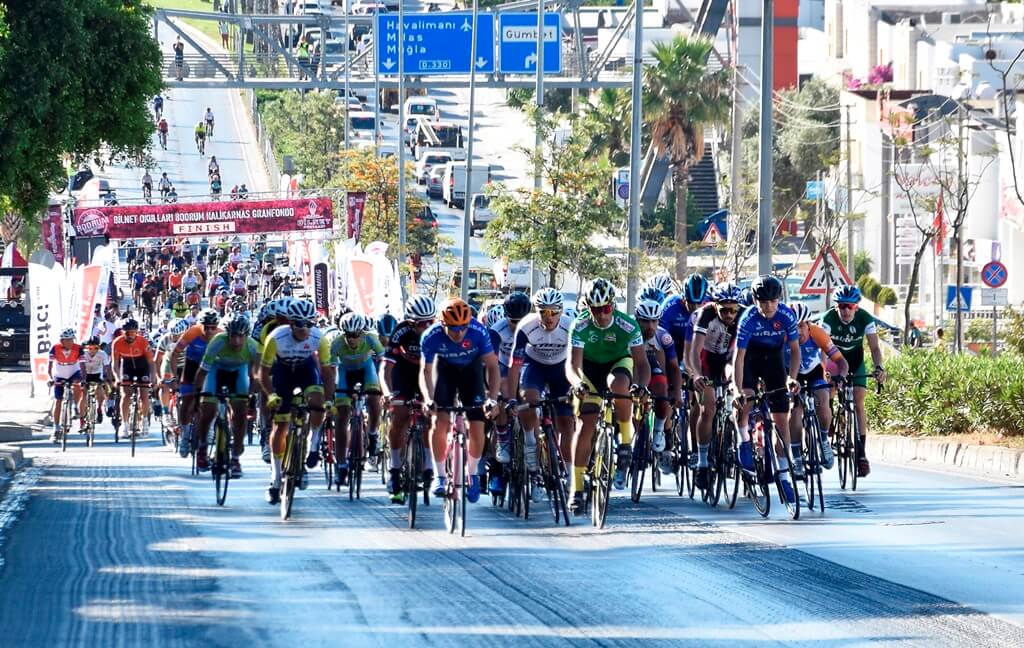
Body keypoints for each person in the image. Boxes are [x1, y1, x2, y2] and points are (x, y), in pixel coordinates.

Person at [566, 279, 651, 514]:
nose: (602, 315)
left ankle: (625, 442)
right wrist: (578, 384)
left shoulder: (628, 325)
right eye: (596, 309)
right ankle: (578, 486)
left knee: (619, 385)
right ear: (588, 307)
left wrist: (641, 386)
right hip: (589, 370)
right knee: (585, 425)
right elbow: (573, 365)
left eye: (606, 309)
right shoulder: (580, 324)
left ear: (613, 306)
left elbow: (642, 364)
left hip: (618, 363)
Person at [419, 298, 501, 504]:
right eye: (453, 328)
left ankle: (472, 473)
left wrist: (492, 398)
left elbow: (492, 366)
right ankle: (440, 476)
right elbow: (425, 371)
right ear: (442, 324)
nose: (459, 333)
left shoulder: (478, 331)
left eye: (463, 327)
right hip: (444, 370)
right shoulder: (431, 336)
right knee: (440, 421)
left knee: (477, 424)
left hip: (471, 371)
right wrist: (428, 399)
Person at [732, 275, 802, 504]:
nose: (768, 306)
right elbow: (739, 357)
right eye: (763, 302)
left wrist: (792, 378)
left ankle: (783, 476)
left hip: (774, 359)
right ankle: (743, 439)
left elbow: (794, 349)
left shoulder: (787, 316)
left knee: (781, 420)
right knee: (747, 400)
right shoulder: (748, 318)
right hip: (751, 358)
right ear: (755, 300)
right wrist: (737, 390)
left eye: (772, 301)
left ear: (779, 299)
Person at [259, 299, 334, 504]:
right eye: (300, 324)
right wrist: (271, 394)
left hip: (305, 369)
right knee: (281, 425)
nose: (305, 329)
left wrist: (328, 401)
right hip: (283, 372)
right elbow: (263, 373)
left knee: (317, 402)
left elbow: (327, 373)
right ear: (290, 324)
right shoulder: (276, 337)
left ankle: (313, 444)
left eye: (309, 324)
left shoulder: (319, 339)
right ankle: (275, 480)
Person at [507, 288, 575, 487]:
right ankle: (529, 441)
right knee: (529, 398)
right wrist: (512, 398)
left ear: (561, 311)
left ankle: (571, 475)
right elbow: (515, 366)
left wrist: (576, 385)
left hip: (562, 369)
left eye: (554, 312)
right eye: (544, 312)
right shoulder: (526, 326)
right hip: (534, 366)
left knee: (566, 423)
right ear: (536, 311)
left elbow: (579, 361)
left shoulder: (571, 327)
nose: (549, 317)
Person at [820, 285, 886, 478]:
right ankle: (830, 415)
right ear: (836, 307)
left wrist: (879, 367)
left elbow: (874, 348)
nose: (846, 310)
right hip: (835, 359)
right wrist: (824, 371)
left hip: (856, 359)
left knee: (858, 401)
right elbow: (823, 350)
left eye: (850, 306)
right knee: (829, 390)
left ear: (856, 307)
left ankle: (862, 455)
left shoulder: (866, 318)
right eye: (842, 306)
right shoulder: (827, 319)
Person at [382, 295, 436, 502]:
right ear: (411, 322)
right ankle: (395, 469)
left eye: (431, 321)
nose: (427, 326)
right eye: (423, 324)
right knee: (400, 416)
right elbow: (386, 367)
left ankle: (429, 466)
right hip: (403, 373)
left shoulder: (437, 332)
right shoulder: (401, 331)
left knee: (432, 416)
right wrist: (387, 393)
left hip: (428, 373)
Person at [193, 314, 259, 478]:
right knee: (208, 410)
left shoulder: (253, 347)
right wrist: (197, 397)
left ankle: (235, 459)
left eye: (240, 336)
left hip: (239, 372)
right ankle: (202, 448)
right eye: (233, 336)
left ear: (246, 336)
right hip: (216, 371)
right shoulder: (217, 342)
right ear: (227, 334)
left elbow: (257, 377)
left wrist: (250, 399)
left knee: (240, 415)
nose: (236, 341)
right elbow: (202, 372)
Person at [786, 303, 848, 471]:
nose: (797, 331)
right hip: (792, 373)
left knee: (823, 398)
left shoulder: (817, 333)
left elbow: (841, 362)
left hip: (813, 371)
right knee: (796, 409)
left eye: (800, 326)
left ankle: (823, 441)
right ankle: (797, 457)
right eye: (793, 327)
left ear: (808, 325)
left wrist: (841, 376)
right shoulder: (783, 336)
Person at [326, 313, 385, 486]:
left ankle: (373, 434)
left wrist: (384, 386)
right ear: (343, 333)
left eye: (355, 335)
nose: (352, 339)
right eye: (348, 335)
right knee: (342, 416)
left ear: (362, 332)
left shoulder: (371, 339)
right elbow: (331, 370)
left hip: (367, 371)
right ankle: (342, 465)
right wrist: (334, 393)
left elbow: (384, 362)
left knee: (374, 399)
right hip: (345, 374)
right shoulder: (336, 343)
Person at [170, 309, 223, 467]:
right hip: (192, 367)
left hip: (211, 369)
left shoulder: (221, 336)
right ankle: (185, 434)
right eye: (206, 327)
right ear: (200, 325)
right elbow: (174, 354)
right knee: (186, 403)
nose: (209, 330)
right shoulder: (191, 333)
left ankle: (211, 428)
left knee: (212, 402)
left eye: (213, 327)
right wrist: (174, 377)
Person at [110, 319, 158, 438]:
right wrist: (117, 378)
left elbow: (151, 363)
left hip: (143, 366)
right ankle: (125, 425)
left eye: (133, 332)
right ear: (122, 332)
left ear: (136, 332)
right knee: (126, 394)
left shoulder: (143, 342)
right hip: (127, 366)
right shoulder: (117, 342)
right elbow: (115, 363)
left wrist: (153, 377)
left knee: (144, 395)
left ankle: (145, 422)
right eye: (127, 333)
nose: (130, 335)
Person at [48, 328, 85, 441]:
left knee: (77, 384)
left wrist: (83, 378)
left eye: (71, 340)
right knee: (58, 401)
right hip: (60, 372)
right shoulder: (55, 348)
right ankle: (56, 427)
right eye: (67, 340)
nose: (70, 342)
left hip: (74, 371)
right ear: (62, 341)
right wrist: (50, 378)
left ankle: (75, 406)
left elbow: (82, 366)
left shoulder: (78, 348)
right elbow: (49, 367)